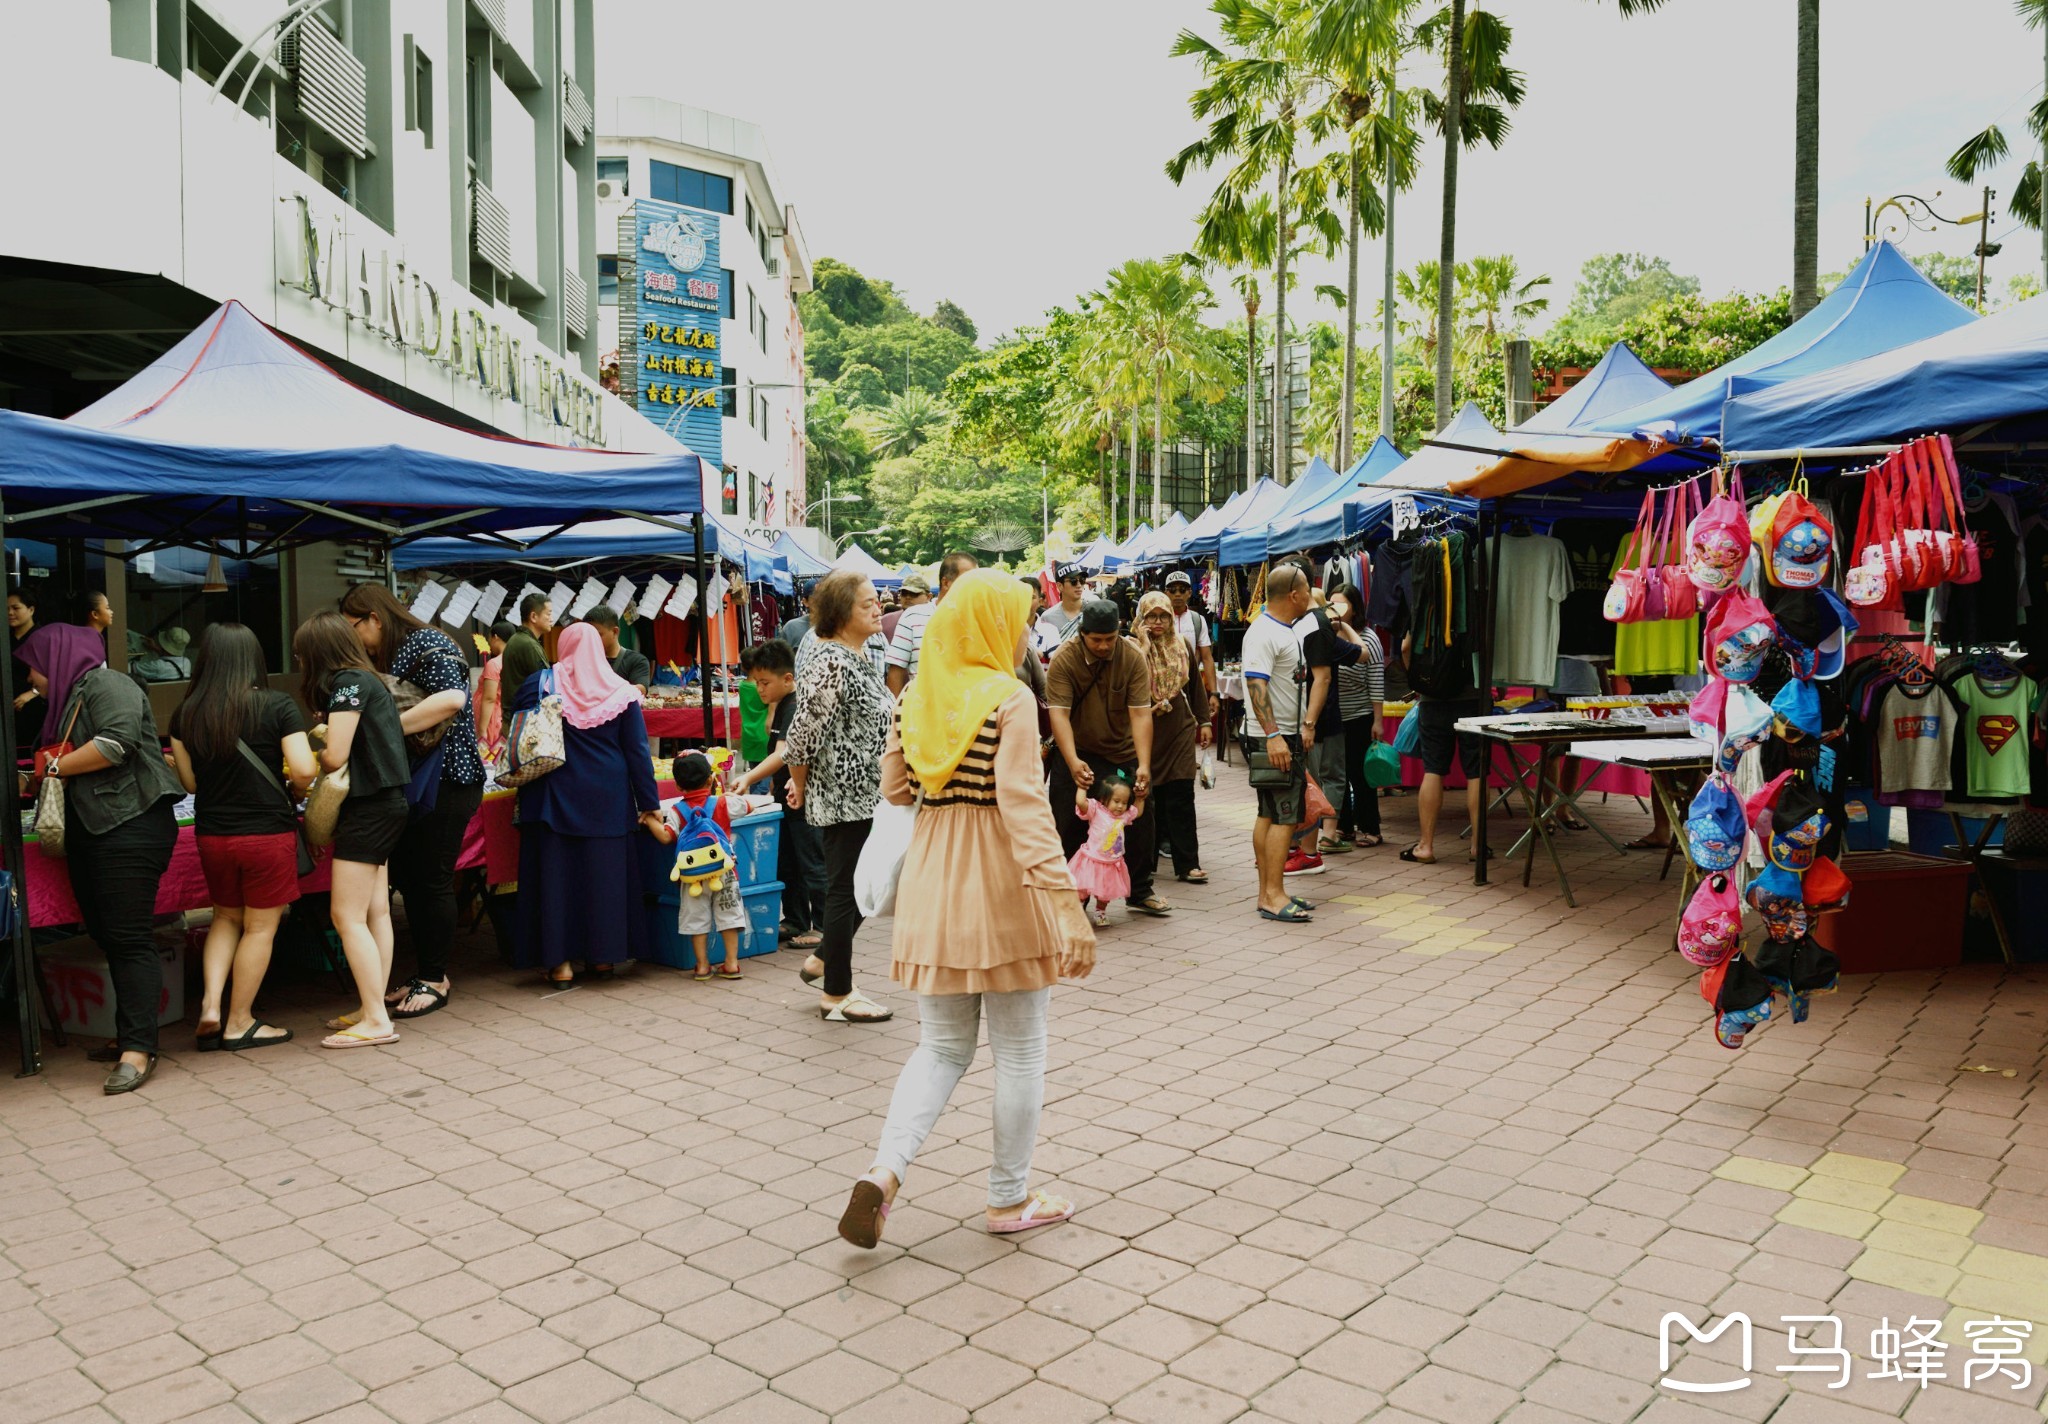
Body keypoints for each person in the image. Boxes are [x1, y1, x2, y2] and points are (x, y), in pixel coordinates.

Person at [836, 569, 1094, 1250]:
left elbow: (894, 787)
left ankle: (884, 1173)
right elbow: (1024, 806)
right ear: (990, 624)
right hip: (1004, 878)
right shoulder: (1009, 699)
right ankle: (1009, 1198)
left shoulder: (917, 695)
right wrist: (1065, 905)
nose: (1024, 633)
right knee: (1019, 1052)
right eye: (1017, 620)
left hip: (936, 877)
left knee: (942, 1046)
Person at [20, 624, 183, 1091]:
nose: (31, 676)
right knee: (109, 934)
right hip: (92, 830)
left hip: (130, 824)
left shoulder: (108, 683)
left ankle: (138, 1049)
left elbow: (117, 742)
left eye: (34, 664)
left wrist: (51, 768)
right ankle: (130, 1032)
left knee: (129, 937)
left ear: (57, 657)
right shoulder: (65, 701)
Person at [167, 623, 316, 1052]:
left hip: (213, 834)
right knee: (260, 927)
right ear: (253, 659)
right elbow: (304, 770)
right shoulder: (277, 705)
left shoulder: (185, 713)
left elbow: (191, 783)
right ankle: (239, 1020)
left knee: (226, 919)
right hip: (266, 834)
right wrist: (299, 792)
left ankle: (210, 1005)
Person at [340, 583, 482, 1021]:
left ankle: (436, 977)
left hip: (448, 779)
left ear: (375, 619)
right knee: (414, 878)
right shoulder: (397, 651)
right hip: (420, 781)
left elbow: (453, 699)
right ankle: (423, 971)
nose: (353, 637)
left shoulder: (428, 642)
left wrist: (387, 728)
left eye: (354, 627)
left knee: (431, 878)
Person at [510, 622, 664, 984]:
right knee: (604, 877)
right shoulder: (621, 692)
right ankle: (603, 959)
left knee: (555, 878)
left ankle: (559, 964)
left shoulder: (540, 683)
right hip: (606, 796)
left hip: (552, 795)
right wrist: (649, 802)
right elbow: (638, 752)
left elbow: (517, 729)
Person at [295, 613, 410, 1050]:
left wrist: (317, 741)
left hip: (367, 808)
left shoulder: (347, 684)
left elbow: (334, 756)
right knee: (376, 911)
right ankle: (371, 1005)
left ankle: (377, 1019)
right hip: (387, 803)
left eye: (302, 654)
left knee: (346, 916)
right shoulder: (367, 678)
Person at [784, 570, 894, 1023]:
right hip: (843, 796)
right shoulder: (829, 659)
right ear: (841, 611)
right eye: (866, 602)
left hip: (871, 794)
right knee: (847, 890)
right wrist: (802, 783)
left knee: (870, 885)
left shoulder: (861, 653)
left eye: (877, 600)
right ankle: (837, 993)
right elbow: (802, 736)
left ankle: (825, 957)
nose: (877, 607)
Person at [1046, 599, 1170, 918]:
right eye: (1096, 639)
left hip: (1122, 750)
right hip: (1078, 750)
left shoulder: (1131, 657)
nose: (1103, 646)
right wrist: (1072, 761)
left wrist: (1143, 764)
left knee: (1141, 820)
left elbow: (1141, 714)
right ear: (1082, 634)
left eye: (1109, 639)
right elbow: (1058, 715)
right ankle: (1073, 893)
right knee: (1069, 823)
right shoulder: (1065, 659)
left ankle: (1140, 890)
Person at [733, 640, 826, 951]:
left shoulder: (797, 704)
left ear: (787, 679)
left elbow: (783, 753)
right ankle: (797, 919)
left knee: (811, 861)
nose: (759, 689)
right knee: (787, 861)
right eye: (756, 683)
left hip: (805, 797)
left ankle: (823, 926)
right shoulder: (783, 704)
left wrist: (747, 777)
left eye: (764, 682)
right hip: (785, 797)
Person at [1242, 565, 1314, 924]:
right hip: (1273, 736)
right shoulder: (1265, 632)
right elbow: (1257, 685)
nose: (1310, 596)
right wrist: (1273, 736)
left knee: (1270, 813)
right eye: (1307, 590)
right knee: (1284, 816)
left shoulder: (1283, 630)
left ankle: (1271, 891)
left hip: (1280, 734)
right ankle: (1272, 895)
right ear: (1294, 595)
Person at [1134, 590, 1211, 885]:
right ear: (1141, 618)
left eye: (1162, 616)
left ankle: (1187, 863)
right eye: (1150, 616)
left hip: (1178, 723)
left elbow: (1194, 687)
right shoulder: (1131, 646)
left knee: (1181, 792)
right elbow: (1131, 680)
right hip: (1146, 726)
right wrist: (1143, 645)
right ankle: (1146, 862)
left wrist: (1204, 721)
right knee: (1148, 795)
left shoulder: (1182, 644)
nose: (1156, 622)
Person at [1398, 615, 1487, 867]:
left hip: (1433, 698)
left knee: (1434, 769)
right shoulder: (1476, 603)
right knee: (1476, 771)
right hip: (1473, 696)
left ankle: (1425, 845)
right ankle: (1477, 845)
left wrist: (1418, 681)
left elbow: (1406, 648)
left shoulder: (1425, 603)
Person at [1290, 587, 1351, 875]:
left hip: (1314, 719)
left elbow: (1324, 676)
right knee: (1317, 780)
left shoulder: (1310, 626)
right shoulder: (1317, 626)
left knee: (1314, 781)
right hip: (1317, 718)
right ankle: (1315, 841)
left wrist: (1308, 723)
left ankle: (1310, 848)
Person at [673, 752, 746, 981]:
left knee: (696, 919)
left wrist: (649, 819)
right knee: (729, 915)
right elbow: (748, 806)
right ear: (710, 780)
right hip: (724, 872)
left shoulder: (677, 811)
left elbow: (667, 836)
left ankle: (702, 966)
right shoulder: (723, 802)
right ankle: (731, 964)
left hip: (693, 877)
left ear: (677, 785)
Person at [1330, 586, 1386, 849]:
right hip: (1332, 717)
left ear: (1354, 607)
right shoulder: (1326, 635)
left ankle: (1370, 828)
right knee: (1336, 773)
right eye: (1332, 604)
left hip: (1359, 716)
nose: (1337, 610)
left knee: (1360, 775)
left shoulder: (1369, 638)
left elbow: (1375, 681)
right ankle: (1344, 826)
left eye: (1342, 605)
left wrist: (1378, 720)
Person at [886, 552, 977, 695]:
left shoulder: (976, 620)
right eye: (967, 580)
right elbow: (896, 671)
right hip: (921, 711)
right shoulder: (913, 617)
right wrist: (895, 714)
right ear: (946, 583)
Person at [1069, 778, 1138, 926]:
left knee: (1106, 891)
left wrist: (1141, 797)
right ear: (1104, 799)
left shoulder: (1124, 815)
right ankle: (1076, 908)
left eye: (1124, 802)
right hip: (1092, 858)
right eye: (1116, 801)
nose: (1120, 806)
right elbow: (1081, 803)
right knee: (1082, 887)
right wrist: (1082, 786)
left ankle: (1100, 911)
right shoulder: (1096, 810)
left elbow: (1138, 812)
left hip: (1112, 862)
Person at [498, 593, 553, 736]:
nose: (551, 619)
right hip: (524, 723)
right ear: (533, 616)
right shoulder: (528, 644)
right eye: (548, 614)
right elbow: (548, 684)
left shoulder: (518, 639)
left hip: (515, 720)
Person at [8, 582, 47, 755]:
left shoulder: (43, 637)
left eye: (16, 608)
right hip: (9, 709)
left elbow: (56, 673)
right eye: (7, 608)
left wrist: (33, 693)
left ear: (31, 610)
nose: (10, 613)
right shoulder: (5, 637)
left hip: (35, 707)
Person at [1164, 570, 1217, 697]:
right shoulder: (1159, 619)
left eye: (1182, 590)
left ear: (1189, 593)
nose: (1177, 594)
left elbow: (1207, 657)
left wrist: (1214, 693)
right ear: (1166, 593)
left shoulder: (1197, 620)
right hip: (1163, 684)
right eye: (1172, 590)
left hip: (1191, 684)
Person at [584, 604, 652, 692]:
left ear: (615, 632)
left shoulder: (637, 661)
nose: (592, 638)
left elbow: (640, 691)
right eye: (589, 634)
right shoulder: (583, 660)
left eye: (598, 634)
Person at [475, 620, 515, 757]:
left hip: (491, 720)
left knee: (488, 759)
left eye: (489, 639)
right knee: (499, 759)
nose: (489, 645)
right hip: (503, 717)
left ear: (496, 637)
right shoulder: (514, 660)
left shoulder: (494, 664)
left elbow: (489, 699)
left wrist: (482, 729)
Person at [1034, 563, 1089, 654]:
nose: (1079, 585)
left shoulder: (1093, 610)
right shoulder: (1048, 617)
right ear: (1060, 586)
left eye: (1082, 580)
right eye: (1073, 581)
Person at [881, 573, 927, 648]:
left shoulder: (935, 622)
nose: (908, 597)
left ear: (928, 596)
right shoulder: (885, 621)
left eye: (914, 593)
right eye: (904, 593)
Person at [778, 583, 816, 649]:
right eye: (816, 597)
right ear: (805, 602)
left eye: (825, 597)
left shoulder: (837, 627)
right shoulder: (791, 628)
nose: (822, 601)